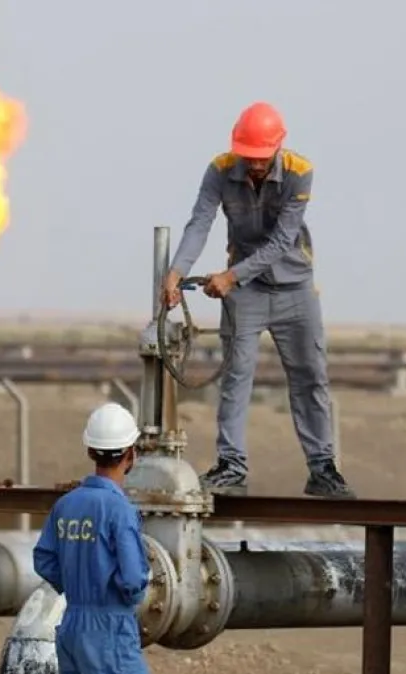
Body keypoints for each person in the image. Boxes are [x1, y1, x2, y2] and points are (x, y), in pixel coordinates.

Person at [161, 100, 355, 500]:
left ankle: (323, 468)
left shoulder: (301, 172)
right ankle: (231, 466)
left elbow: (282, 241)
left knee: (310, 377)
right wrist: (177, 271)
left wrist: (230, 277)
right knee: (236, 377)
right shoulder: (219, 169)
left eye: (260, 159)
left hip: (294, 287)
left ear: (277, 150)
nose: (253, 166)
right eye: (247, 158)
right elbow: (200, 221)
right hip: (246, 292)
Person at [33, 403, 179, 674]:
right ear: (131, 454)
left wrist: (78, 586)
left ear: (91, 451)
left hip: (73, 624)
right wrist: (119, 595)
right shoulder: (118, 510)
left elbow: (44, 559)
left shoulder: (67, 504)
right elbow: (135, 576)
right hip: (109, 626)